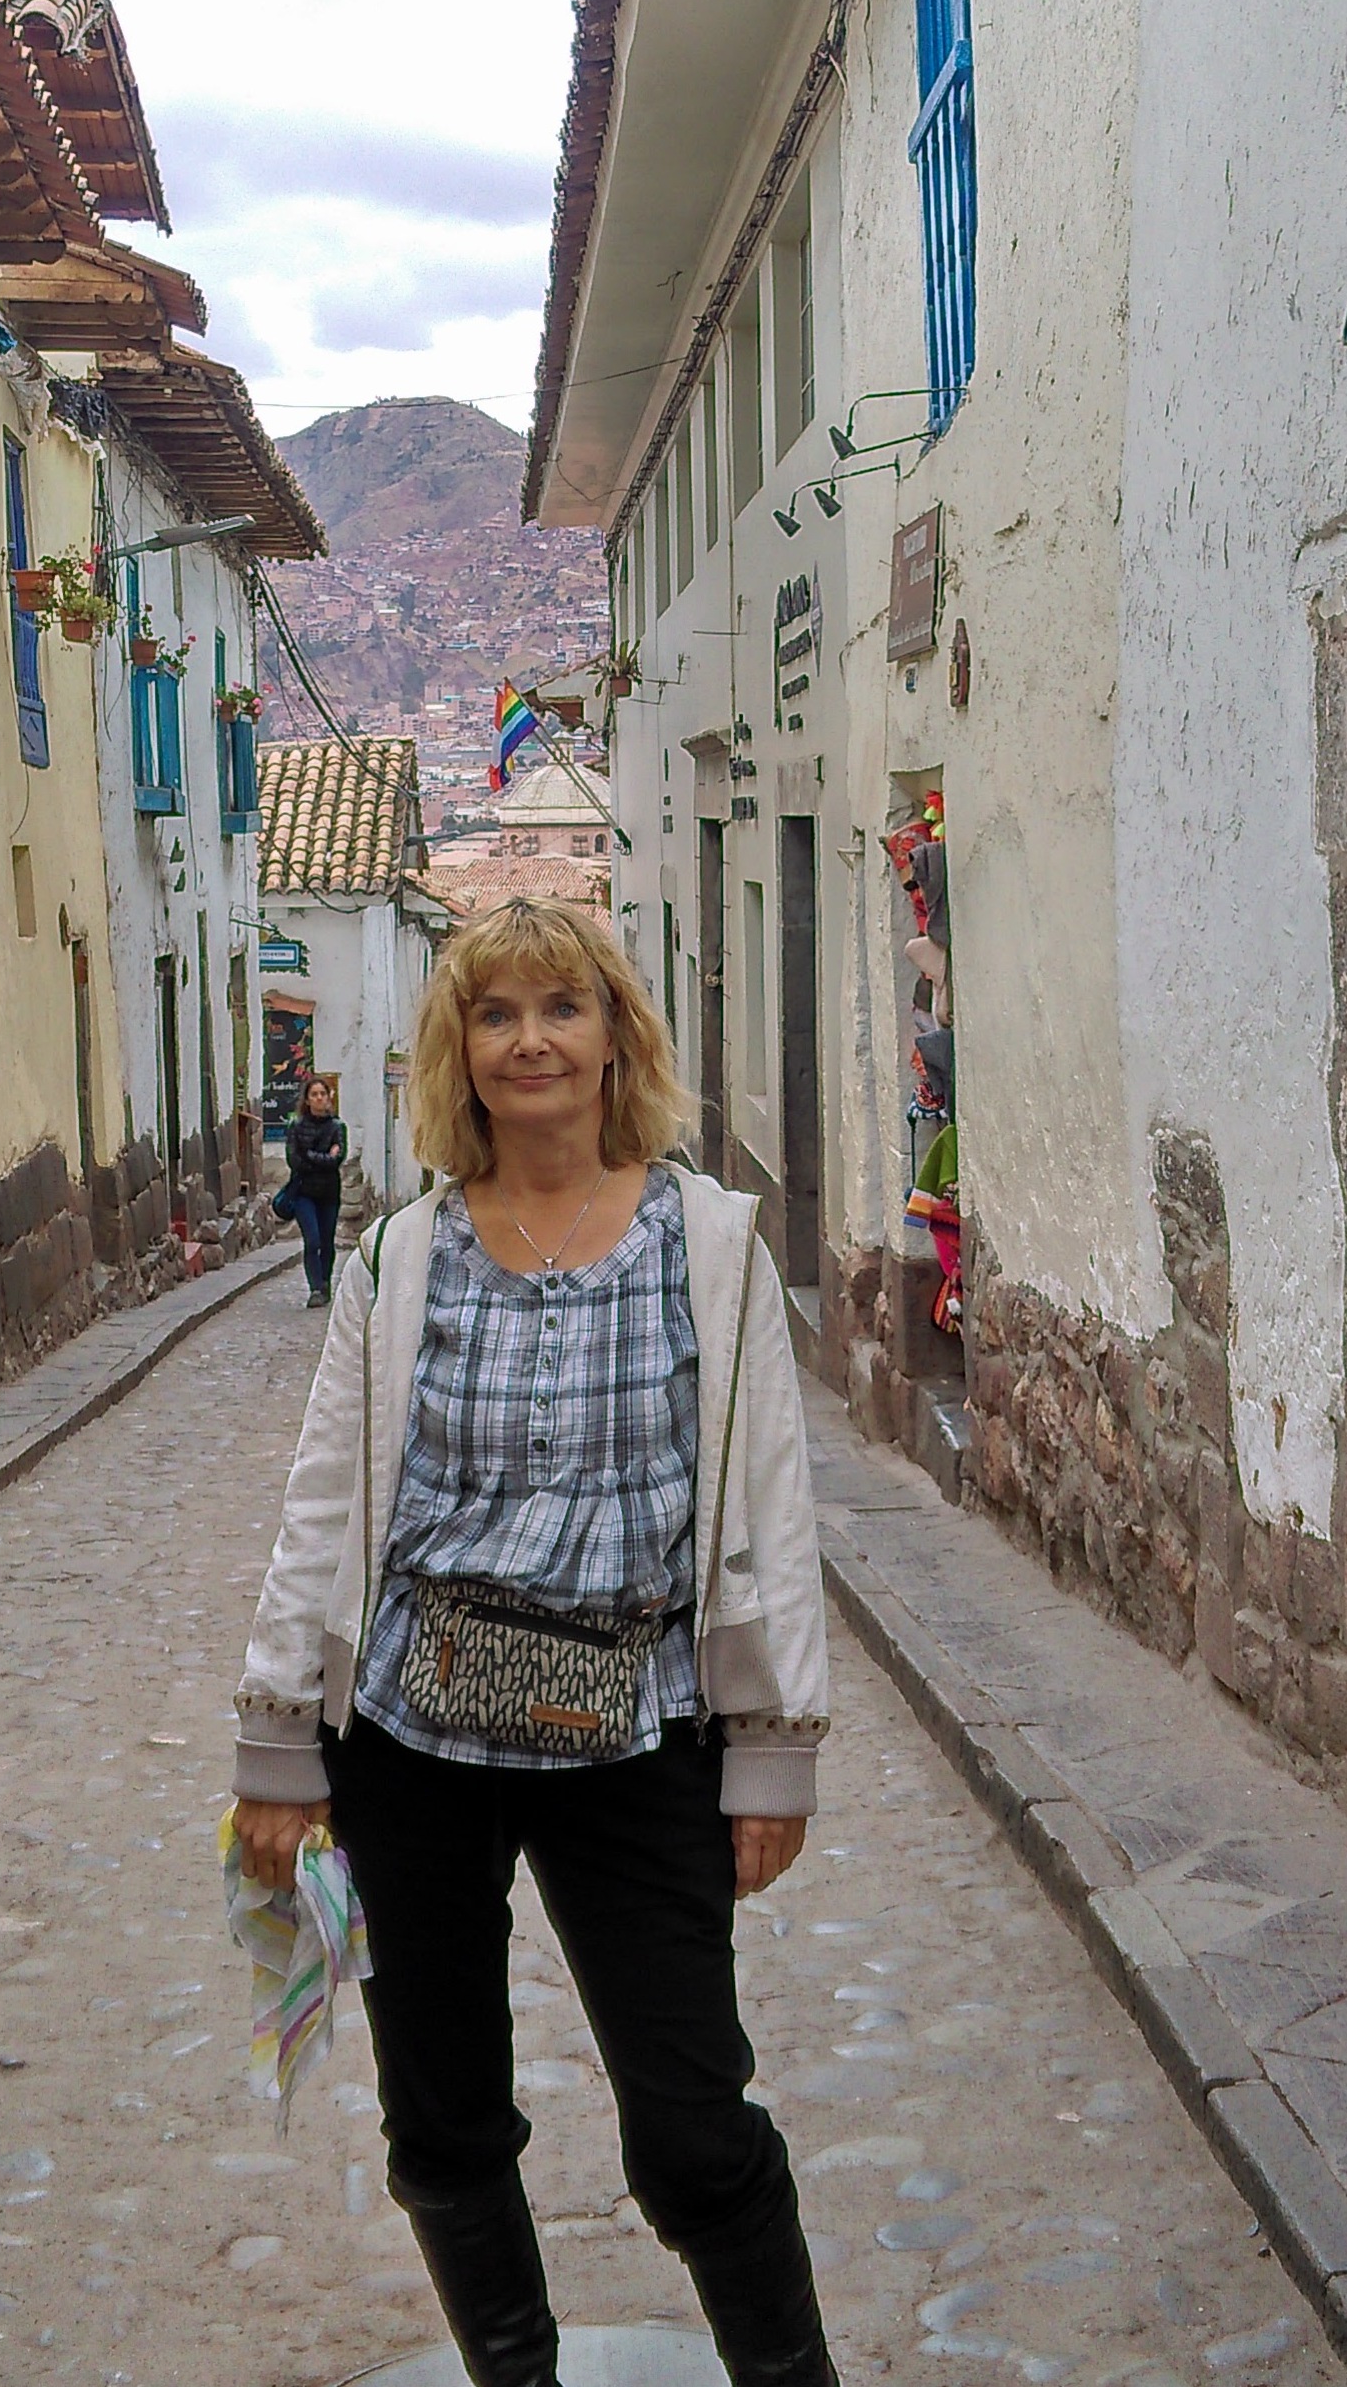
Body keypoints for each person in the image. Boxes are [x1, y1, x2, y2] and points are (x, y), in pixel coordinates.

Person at [231, 897, 834, 2387]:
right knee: (438, 2117)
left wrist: (773, 1751)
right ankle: (518, 2375)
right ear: (460, 1050)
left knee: (695, 2124)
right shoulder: (400, 1257)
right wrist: (278, 1737)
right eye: (494, 1014)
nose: (529, 1040)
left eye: (561, 1007)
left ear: (617, 1032)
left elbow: (767, 1498)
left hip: (634, 1732)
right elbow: (328, 1499)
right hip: (413, 1741)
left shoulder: (709, 1243)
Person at [274, 1077, 347, 1305]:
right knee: (312, 1240)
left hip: (329, 1193)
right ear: (307, 1099)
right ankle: (315, 1288)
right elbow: (295, 1160)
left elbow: (338, 1159)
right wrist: (324, 1157)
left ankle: (325, 1282)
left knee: (327, 1241)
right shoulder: (296, 1126)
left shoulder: (337, 1127)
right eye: (314, 1094)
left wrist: (311, 1155)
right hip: (304, 1193)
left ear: (328, 1097)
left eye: (322, 1094)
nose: (319, 1098)